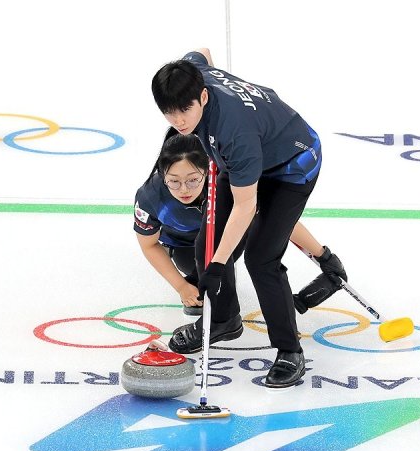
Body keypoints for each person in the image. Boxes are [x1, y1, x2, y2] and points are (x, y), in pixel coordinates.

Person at [151, 49, 344, 388]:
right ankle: (224, 320)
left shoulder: (233, 132)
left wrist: (217, 266)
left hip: (292, 166)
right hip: (247, 156)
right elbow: (203, 53)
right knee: (206, 241)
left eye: (185, 110)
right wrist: (215, 260)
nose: (178, 121)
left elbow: (244, 207)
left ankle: (290, 350)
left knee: (261, 257)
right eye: (169, 112)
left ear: (204, 96)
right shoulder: (192, 75)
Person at [134, 128, 348, 335]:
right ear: (162, 175)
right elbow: (149, 244)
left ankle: (223, 307)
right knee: (196, 265)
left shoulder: (227, 184)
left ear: (207, 171)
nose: (183, 189)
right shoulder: (150, 197)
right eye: (174, 181)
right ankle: (203, 287)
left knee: (250, 221)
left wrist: (324, 257)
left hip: (229, 239)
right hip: (185, 248)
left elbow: (279, 221)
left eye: (193, 180)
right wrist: (181, 286)